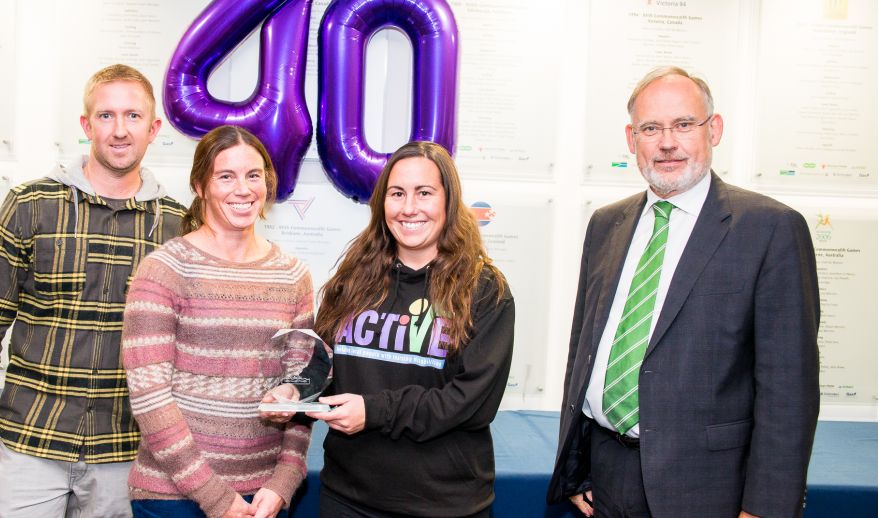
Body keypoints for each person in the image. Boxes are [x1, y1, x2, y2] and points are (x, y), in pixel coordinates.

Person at [548, 66, 820, 517]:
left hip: (709, 489)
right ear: (632, 138)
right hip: (608, 476)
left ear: (713, 129)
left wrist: (765, 509)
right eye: (651, 128)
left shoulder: (770, 229)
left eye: (683, 124)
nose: (667, 142)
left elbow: (788, 389)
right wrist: (577, 466)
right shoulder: (606, 225)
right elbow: (585, 352)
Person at [0, 64, 187, 516]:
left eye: (133, 117)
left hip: (125, 454)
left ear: (154, 128)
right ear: (85, 125)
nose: (120, 130)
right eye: (106, 116)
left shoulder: (178, 225)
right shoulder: (31, 204)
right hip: (28, 446)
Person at [303, 141, 515, 517]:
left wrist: (375, 411)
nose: (409, 208)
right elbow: (326, 364)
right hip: (347, 498)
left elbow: (471, 403)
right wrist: (295, 392)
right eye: (397, 193)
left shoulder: (484, 291)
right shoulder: (353, 280)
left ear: (448, 202)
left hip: (443, 505)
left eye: (424, 193)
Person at [121, 125, 316, 518]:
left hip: (262, 500)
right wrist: (216, 498)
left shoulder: (294, 274)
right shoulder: (164, 268)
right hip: (173, 496)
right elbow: (149, 396)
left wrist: (283, 483)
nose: (243, 189)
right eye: (225, 176)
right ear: (200, 186)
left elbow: (302, 386)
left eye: (253, 175)